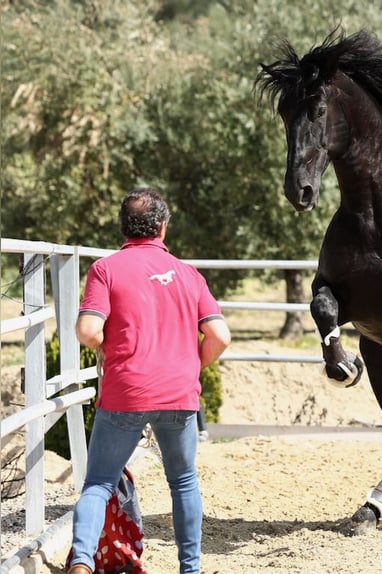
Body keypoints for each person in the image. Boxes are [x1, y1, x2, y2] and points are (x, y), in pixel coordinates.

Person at [68, 187, 231, 574]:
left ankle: (80, 562)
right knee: (184, 481)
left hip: (126, 390)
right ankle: (189, 569)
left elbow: (87, 330)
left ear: (124, 227)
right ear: (162, 226)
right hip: (179, 392)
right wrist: (192, 365)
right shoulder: (189, 274)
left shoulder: (105, 269)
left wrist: (112, 350)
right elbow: (221, 336)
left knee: (99, 483)